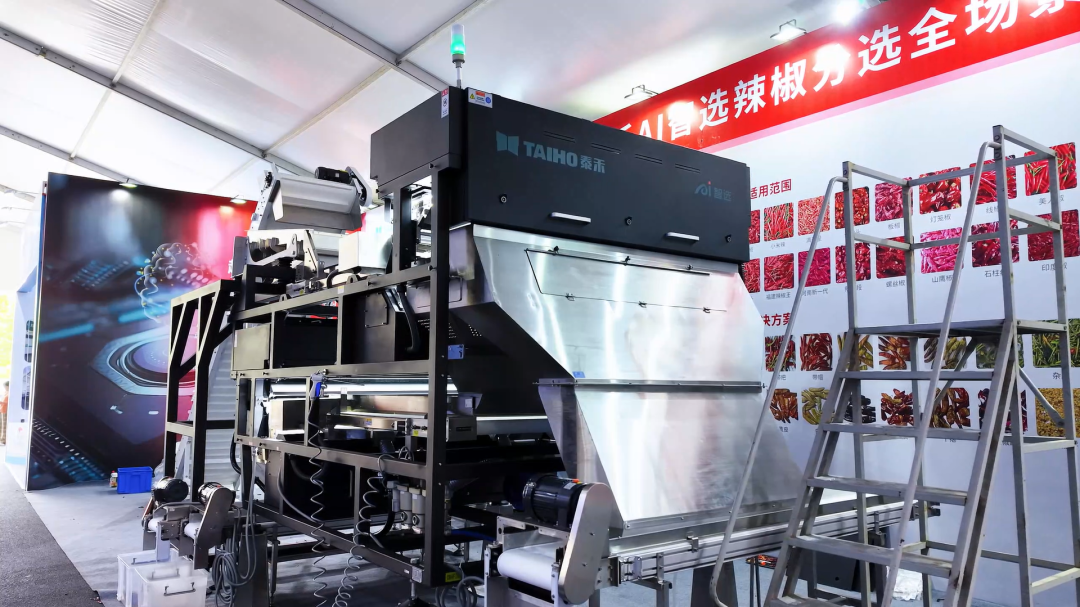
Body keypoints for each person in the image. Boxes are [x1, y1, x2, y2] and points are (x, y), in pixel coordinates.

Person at [0, 380, 7, 445]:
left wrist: (1, 402)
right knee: (2, 425)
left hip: (5, 410)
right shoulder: (5, 392)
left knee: (4, 426)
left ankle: (3, 439)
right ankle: (2, 439)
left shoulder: (9, 392)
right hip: (2, 410)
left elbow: (8, 403)